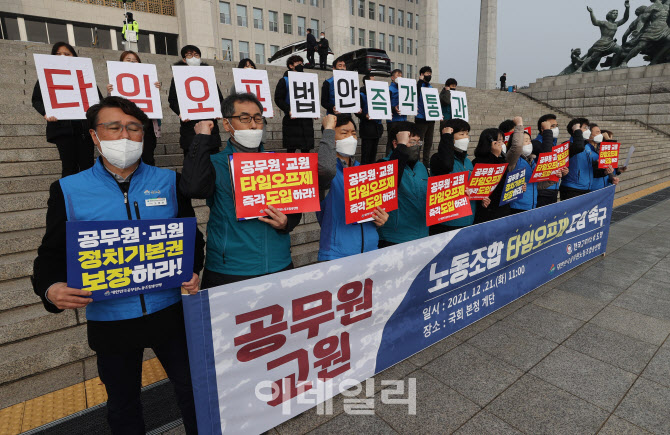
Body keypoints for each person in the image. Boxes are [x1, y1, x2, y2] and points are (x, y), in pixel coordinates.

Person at [32, 96, 205, 435]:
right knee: (123, 403)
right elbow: (51, 254)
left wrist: (194, 270)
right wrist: (51, 289)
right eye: (113, 127)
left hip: (169, 311)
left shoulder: (170, 182)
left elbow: (191, 238)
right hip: (110, 319)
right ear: (95, 136)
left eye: (133, 128)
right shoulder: (68, 189)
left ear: (144, 134)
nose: (124, 135)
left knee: (194, 390)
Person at [180, 93, 302, 287]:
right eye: (244, 119)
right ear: (227, 125)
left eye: (258, 118)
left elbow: (295, 206)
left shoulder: (279, 164)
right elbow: (192, 187)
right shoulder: (215, 163)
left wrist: (286, 222)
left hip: (279, 262)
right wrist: (202, 137)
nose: (253, 125)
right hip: (230, 269)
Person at [317, 114, 388, 260]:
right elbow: (326, 169)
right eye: (344, 133)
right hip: (337, 254)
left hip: (370, 251)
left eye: (354, 133)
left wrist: (381, 218)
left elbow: (373, 209)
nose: (351, 138)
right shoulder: (323, 172)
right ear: (331, 139)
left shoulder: (364, 172)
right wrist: (328, 128)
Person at [32, 42, 103, 177]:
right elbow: (36, 100)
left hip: (84, 130)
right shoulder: (45, 76)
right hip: (62, 129)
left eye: (67, 54)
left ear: (74, 56)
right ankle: (69, 197)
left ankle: (88, 196)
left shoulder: (85, 75)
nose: (63, 56)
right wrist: (46, 112)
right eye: (58, 54)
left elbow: (99, 100)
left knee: (87, 166)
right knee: (69, 167)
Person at [106, 50, 161, 166]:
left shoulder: (148, 80)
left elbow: (155, 106)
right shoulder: (115, 83)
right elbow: (110, 106)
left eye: (135, 61)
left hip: (146, 125)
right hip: (126, 126)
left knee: (148, 157)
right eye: (128, 60)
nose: (131, 63)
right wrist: (110, 93)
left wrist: (155, 90)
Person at [377, 122, 428, 247]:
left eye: (418, 142)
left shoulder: (421, 167)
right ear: (396, 143)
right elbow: (390, 182)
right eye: (411, 142)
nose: (416, 146)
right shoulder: (383, 165)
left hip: (422, 235)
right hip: (394, 238)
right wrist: (401, 148)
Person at [168, 45, 224, 156]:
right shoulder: (178, 77)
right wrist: (180, 113)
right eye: (189, 55)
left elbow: (219, 98)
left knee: (213, 159)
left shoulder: (208, 76)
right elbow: (172, 100)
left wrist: (219, 110)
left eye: (196, 55)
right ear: (184, 59)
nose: (193, 57)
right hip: (189, 126)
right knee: (192, 160)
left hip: (210, 124)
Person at [429, 119, 478, 235]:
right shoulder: (437, 159)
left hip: (468, 218)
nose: (466, 138)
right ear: (450, 136)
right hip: (448, 221)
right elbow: (446, 165)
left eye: (467, 134)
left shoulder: (467, 161)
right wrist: (446, 137)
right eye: (461, 134)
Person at [472, 118, 524, 224]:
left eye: (502, 140)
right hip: (488, 211)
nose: (502, 143)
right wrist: (494, 155)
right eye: (499, 141)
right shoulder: (478, 162)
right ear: (490, 143)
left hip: (503, 208)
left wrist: (518, 186)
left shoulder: (502, 159)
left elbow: (505, 182)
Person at [508, 129, 566, 214]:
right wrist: (519, 125)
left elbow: (537, 185)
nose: (529, 143)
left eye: (530, 140)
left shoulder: (532, 162)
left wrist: (553, 179)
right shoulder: (514, 160)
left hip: (532, 205)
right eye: (525, 140)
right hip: (516, 207)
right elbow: (515, 148)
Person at [274, 55, 315, 153]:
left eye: (302, 63)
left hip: (306, 119)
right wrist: (288, 110)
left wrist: (314, 111)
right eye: (298, 63)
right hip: (292, 119)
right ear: (291, 65)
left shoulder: (308, 80)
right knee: (291, 149)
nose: (301, 65)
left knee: (306, 149)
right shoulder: (284, 80)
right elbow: (278, 99)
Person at [229, 58, 268, 144]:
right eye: (246, 66)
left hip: (258, 118)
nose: (250, 68)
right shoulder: (236, 85)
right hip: (244, 119)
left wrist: (268, 109)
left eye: (252, 66)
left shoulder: (261, 84)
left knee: (259, 143)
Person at [559, 118, 595, 200]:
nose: (588, 130)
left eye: (588, 128)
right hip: (572, 189)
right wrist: (577, 131)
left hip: (586, 188)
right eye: (585, 128)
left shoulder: (587, 146)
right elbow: (578, 147)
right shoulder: (567, 145)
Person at [533, 114, 561, 207]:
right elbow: (547, 155)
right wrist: (547, 131)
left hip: (554, 187)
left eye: (556, 126)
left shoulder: (555, 144)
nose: (555, 128)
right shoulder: (536, 143)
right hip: (542, 189)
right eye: (552, 126)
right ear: (543, 128)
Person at [357, 74, 384, 165]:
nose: (375, 82)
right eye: (373, 81)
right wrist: (365, 116)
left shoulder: (378, 93)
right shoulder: (361, 94)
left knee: (373, 154)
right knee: (366, 154)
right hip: (367, 128)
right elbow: (356, 111)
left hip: (377, 128)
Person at [415, 66, 435, 169]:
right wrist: (419, 82)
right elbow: (415, 96)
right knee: (419, 142)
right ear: (422, 74)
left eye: (430, 73)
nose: (429, 75)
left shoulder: (430, 87)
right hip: (421, 118)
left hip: (430, 119)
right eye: (427, 73)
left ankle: (426, 163)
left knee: (428, 142)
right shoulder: (418, 85)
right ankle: (417, 162)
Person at [586, 124, 617, 191]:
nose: (600, 135)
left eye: (600, 132)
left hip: (605, 186)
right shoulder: (586, 149)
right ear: (589, 135)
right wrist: (608, 140)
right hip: (593, 187)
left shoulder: (599, 149)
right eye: (597, 132)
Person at [386, 69, 407, 153]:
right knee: (391, 142)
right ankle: (389, 161)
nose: (400, 77)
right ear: (392, 78)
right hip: (393, 120)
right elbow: (385, 104)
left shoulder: (405, 89)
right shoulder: (389, 89)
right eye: (397, 76)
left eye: (401, 76)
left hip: (403, 119)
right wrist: (393, 109)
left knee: (402, 142)